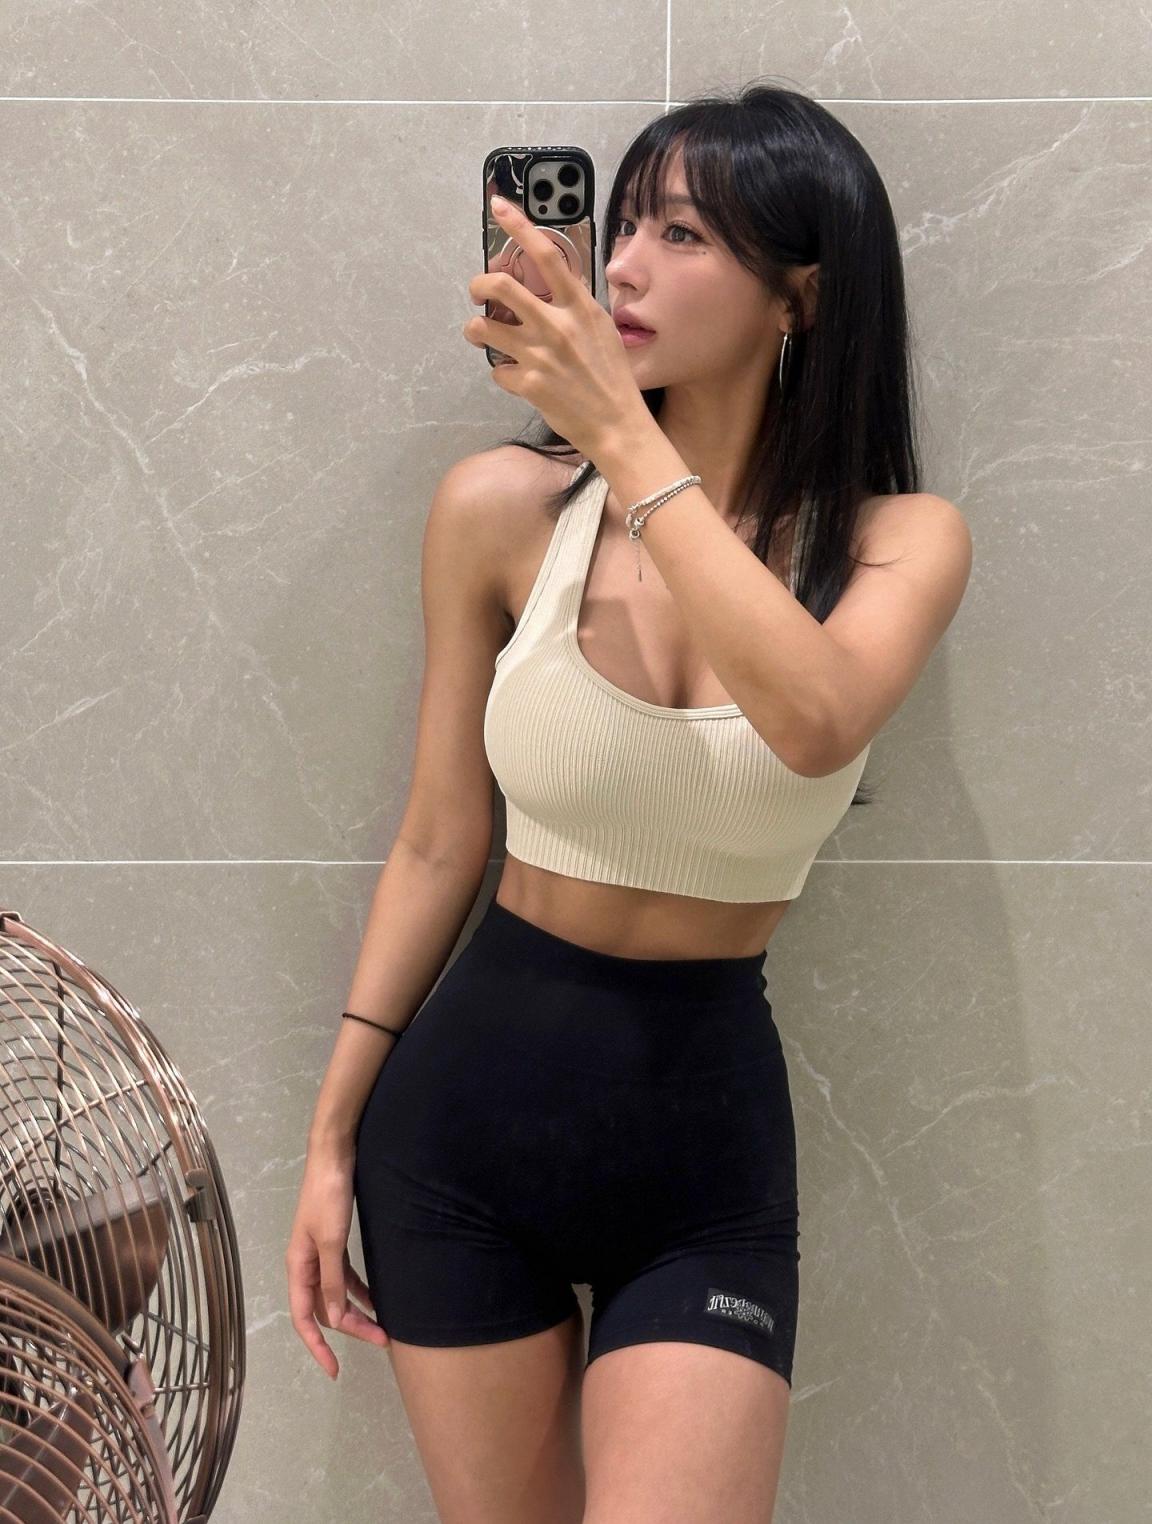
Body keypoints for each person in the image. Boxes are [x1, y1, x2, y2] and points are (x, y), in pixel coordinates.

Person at [286, 78, 972, 1524]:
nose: (625, 269)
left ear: (800, 296)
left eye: (685, 234)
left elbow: (815, 719)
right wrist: (331, 1134)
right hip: (459, 1136)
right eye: (627, 227)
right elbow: (439, 841)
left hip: (702, 1156)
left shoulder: (896, 541)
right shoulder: (496, 511)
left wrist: (623, 435)